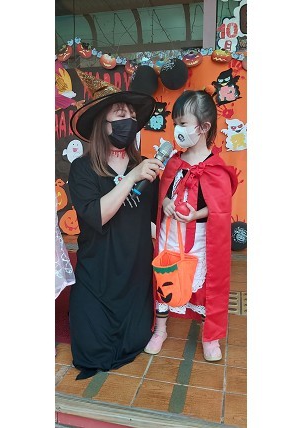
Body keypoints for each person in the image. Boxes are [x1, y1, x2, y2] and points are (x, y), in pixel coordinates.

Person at [67, 70, 164, 380]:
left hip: (134, 277)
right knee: (90, 352)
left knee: (135, 340)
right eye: (121, 115)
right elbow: (97, 216)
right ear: (103, 124)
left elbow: (153, 219)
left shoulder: (144, 166)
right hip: (97, 276)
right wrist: (131, 178)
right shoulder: (83, 169)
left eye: (132, 117)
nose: (129, 122)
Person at [144, 90, 238, 361]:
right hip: (170, 236)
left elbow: (220, 206)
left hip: (200, 239)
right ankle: (160, 329)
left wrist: (197, 215)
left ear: (203, 127)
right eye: (176, 123)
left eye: (183, 123)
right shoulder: (174, 162)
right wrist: (166, 204)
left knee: (206, 284)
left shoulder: (216, 168)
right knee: (165, 279)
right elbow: (163, 194)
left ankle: (210, 336)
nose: (177, 129)